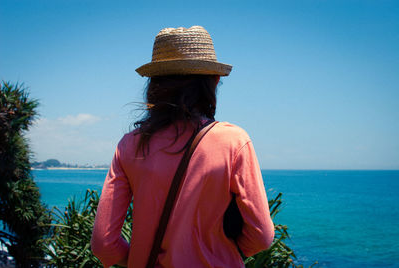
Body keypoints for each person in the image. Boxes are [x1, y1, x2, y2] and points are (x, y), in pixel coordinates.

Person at [91, 26, 274, 268]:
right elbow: (261, 236)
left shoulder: (130, 144)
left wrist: (137, 260)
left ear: (154, 84)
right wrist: (224, 253)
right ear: (214, 80)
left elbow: (103, 243)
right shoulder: (233, 141)